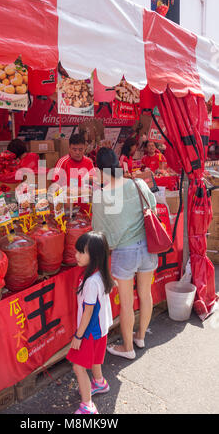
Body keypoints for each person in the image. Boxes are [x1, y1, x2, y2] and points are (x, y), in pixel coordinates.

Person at [92, 147, 158, 359]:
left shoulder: (101, 196)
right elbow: (153, 207)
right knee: (146, 294)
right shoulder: (137, 183)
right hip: (147, 247)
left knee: (127, 303)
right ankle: (140, 337)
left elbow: (99, 233)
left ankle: (128, 347)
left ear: (101, 170)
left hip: (124, 252)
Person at [66, 231, 114, 415]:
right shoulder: (99, 273)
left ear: (94, 256)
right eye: (77, 251)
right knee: (94, 358)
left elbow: (88, 312)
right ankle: (99, 382)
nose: (76, 256)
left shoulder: (91, 282)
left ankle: (88, 406)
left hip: (90, 331)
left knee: (78, 367)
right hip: (100, 329)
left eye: (81, 252)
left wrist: (79, 335)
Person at [53, 133, 95, 211]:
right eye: (74, 149)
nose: (77, 152)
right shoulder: (62, 162)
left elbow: (94, 184)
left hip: (86, 209)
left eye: (80, 149)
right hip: (68, 209)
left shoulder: (89, 162)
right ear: (69, 148)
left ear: (85, 147)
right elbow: (55, 187)